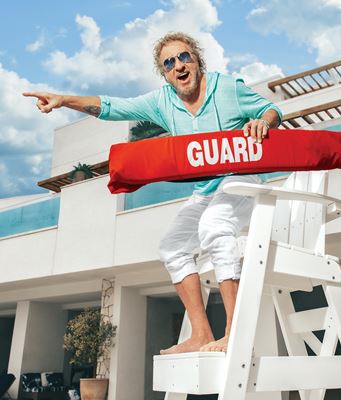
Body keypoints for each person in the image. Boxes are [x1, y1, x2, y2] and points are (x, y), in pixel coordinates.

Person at [23, 32, 282, 354]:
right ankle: (201, 333)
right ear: (165, 73)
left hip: (242, 182)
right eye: (169, 63)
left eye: (184, 57)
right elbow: (112, 106)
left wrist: (263, 122)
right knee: (172, 247)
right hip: (207, 189)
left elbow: (271, 109)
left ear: (197, 59)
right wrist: (63, 100)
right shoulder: (163, 101)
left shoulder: (226, 88)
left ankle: (235, 329)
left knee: (215, 226)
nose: (178, 65)